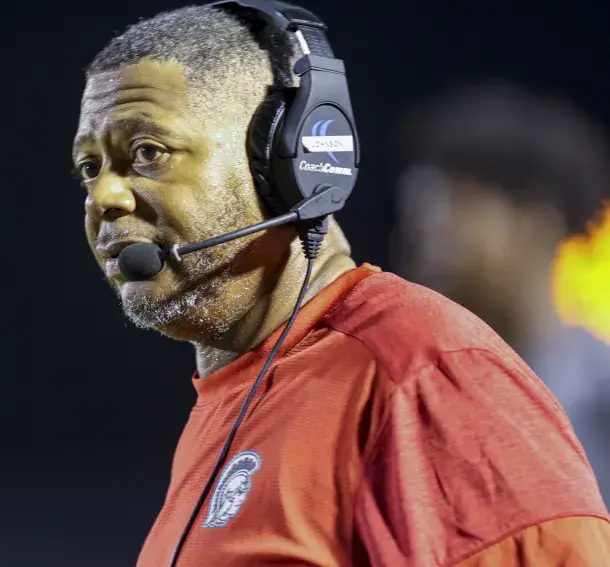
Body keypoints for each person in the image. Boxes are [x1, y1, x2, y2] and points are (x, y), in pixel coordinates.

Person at [73, 3, 610, 565]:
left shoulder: (421, 371)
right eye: (89, 168)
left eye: (149, 152)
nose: (103, 197)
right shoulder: (233, 398)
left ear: (287, 163)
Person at [392, 82, 610, 500]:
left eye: (457, 204)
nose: (427, 233)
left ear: (536, 222)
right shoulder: (401, 384)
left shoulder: (600, 395)